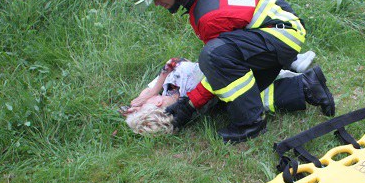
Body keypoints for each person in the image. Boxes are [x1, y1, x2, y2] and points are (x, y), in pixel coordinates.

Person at [129, 0, 335, 143]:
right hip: (281, 28)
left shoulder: (209, 16)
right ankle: (306, 86)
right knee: (232, 93)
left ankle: (251, 123)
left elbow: (217, 63)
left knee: (218, 70)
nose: (157, 3)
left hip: (280, 37)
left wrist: (189, 105)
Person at [121, 54, 328, 137]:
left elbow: (146, 93)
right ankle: (297, 78)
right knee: (254, 97)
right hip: (233, 71)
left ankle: (296, 73)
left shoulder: (171, 101)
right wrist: (152, 91)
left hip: (229, 69)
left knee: (253, 97)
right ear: (158, 102)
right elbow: (174, 62)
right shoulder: (184, 83)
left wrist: (138, 106)